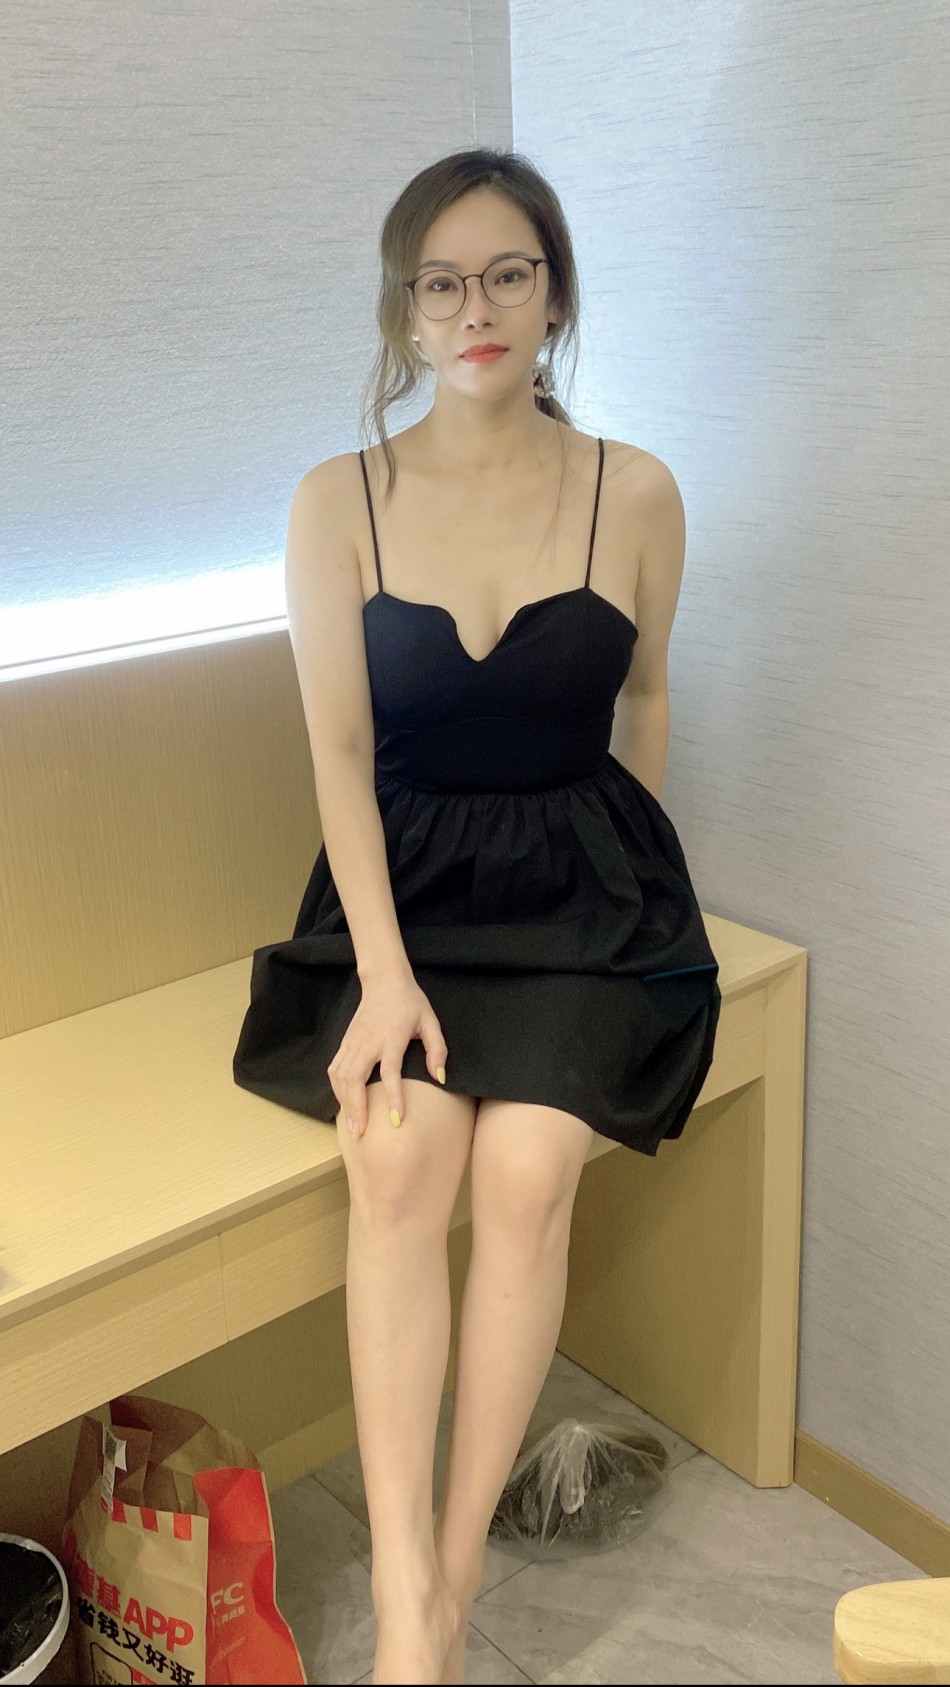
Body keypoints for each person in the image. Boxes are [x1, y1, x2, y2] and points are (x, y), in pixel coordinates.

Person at [233, 147, 721, 1685]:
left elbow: (642, 700)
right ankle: (405, 1597)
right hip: (403, 898)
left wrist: (629, 890)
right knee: (398, 1154)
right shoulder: (339, 500)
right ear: (404, 309)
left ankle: (449, 1580)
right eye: (438, 283)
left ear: (552, 293)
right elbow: (336, 751)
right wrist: (383, 978)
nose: (474, 310)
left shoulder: (635, 492)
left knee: (524, 1170)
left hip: (586, 894)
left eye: (507, 273)